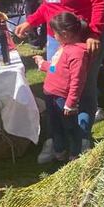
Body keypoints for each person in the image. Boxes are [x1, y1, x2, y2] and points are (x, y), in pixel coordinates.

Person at [13, 0, 104, 159]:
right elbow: (49, 5)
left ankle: (82, 138)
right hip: (56, 38)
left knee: (83, 88)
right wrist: (31, 21)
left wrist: (95, 33)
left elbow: (99, 1)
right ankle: (59, 141)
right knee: (55, 88)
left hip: (83, 39)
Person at [33, 12, 90, 162]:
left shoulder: (77, 53)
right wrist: (42, 64)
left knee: (70, 127)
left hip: (63, 98)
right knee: (55, 124)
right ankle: (59, 150)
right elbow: (55, 68)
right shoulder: (63, 48)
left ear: (65, 34)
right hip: (50, 94)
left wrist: (71, 102)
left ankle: (75, 153)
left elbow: (77, 80)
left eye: (55, 33)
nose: (53, 36)